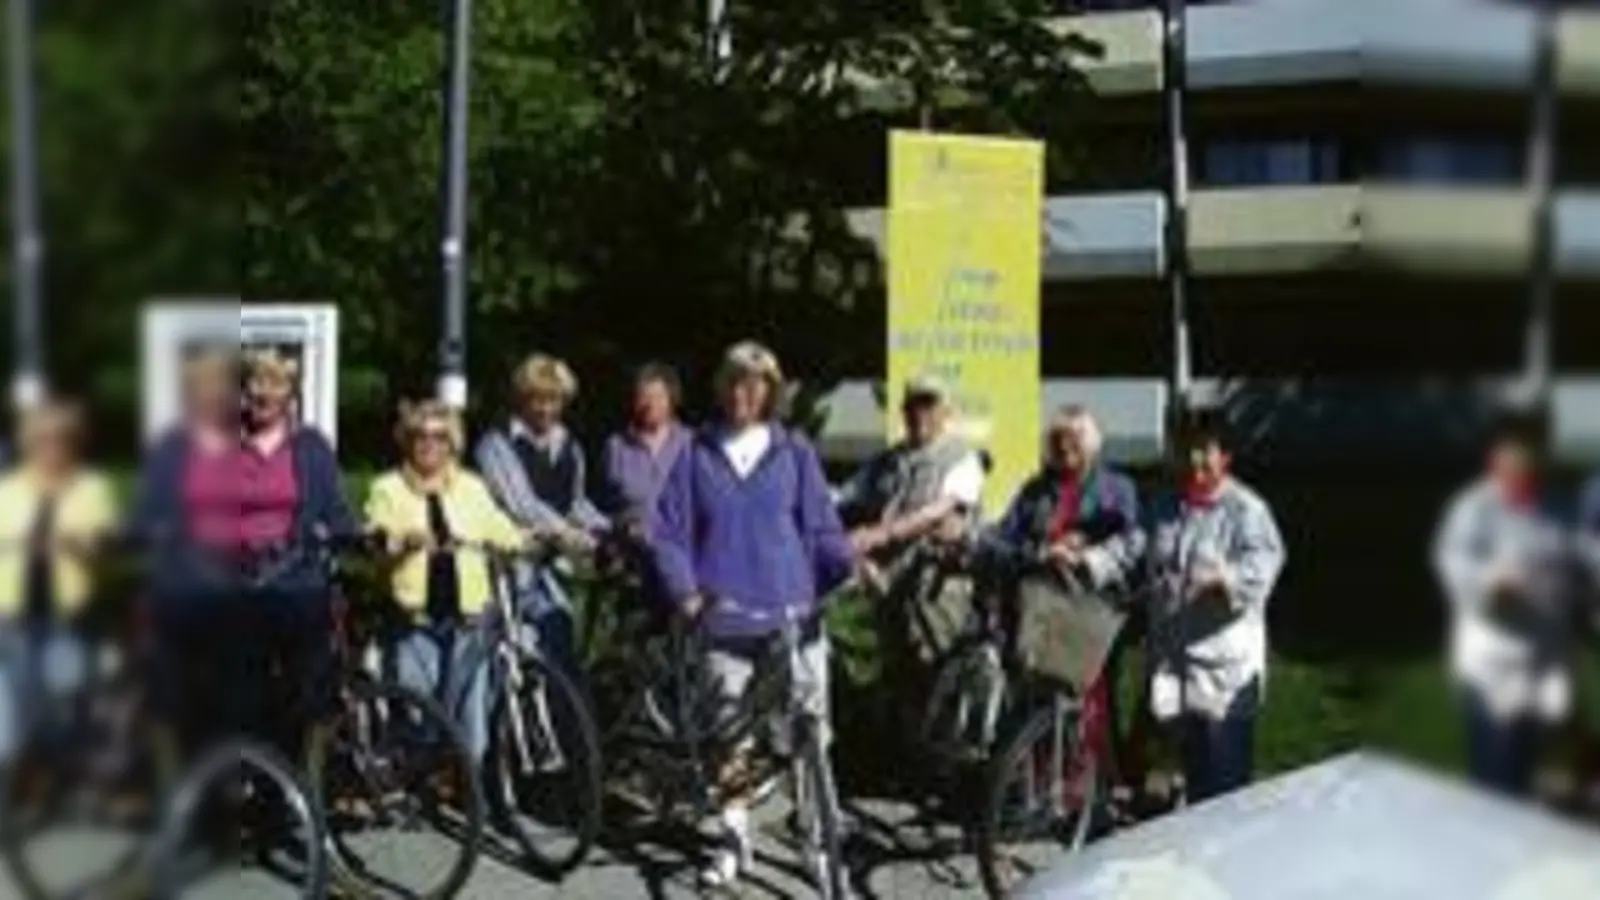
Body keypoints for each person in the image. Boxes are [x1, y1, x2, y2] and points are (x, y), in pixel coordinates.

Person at [650, 341, 856, 888]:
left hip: (793, 616)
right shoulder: (696, 453)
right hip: (724, 619)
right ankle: (732, 837)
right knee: (729, 737)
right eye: (736, 381)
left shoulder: (794, 451)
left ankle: (817, 840)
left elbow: (821, 528)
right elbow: (668, 533)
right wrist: (687, 594)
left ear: (770, 391)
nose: (745, 392)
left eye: (757, 382)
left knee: (809, 735)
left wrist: (843, 568)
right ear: (722, 388)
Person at [132, 347, 355, 755]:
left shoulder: (310, 447)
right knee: (242, 694)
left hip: (297, 580)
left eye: (276, 383)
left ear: (291, 393)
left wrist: (361, 536)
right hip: (236, 582)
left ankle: (293, 783)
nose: (263, 393)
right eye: (254, 382)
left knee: (311, 690)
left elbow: (337, 513)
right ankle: (245, 775)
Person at [365, 400, 535, 761]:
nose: (429, 444)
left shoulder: (471, 487)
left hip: (467, 621)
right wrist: (404, 541)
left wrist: (531, 541)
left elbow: (499, 527)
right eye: (420, 436)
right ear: (407, 441)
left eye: (440, 437)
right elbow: (376, 535)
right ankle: (415, 786)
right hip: (415, 620)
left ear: (452, 443)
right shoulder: (388, 488)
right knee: (420, 718)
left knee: (471, 731)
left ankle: (473, 801)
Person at [980, 405, 1142, 778]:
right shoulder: (1036, 491)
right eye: (1058, 441)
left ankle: (1084, 791)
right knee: (1035, 697)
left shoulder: (1118, 490)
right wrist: (1037, 553)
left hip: (1090, 611)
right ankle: (1037, 785)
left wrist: (1085, 555)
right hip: (1036, 606)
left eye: (1076, 441)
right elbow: (1000, 539)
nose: (1066, 449)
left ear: (1093, 445)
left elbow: (1132, 547)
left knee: (1088, 702)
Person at [1433, 406, 1580, 798]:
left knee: (1531, 776)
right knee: (1494, 783)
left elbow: (1578, 560)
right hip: (1492, 664)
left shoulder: (1556, 506)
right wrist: (1493, 583)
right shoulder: (1474, 506)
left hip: (1542, 660)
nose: (1522, 459)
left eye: (1531, 450)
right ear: (1495, 455)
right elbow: (1452, 561)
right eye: (1513, 450)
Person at [1140, 407, 1285, 804]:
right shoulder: (1167, 506)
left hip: (1224, 673)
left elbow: (1264, 565)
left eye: (1205, 450)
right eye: (1188, 449)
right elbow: (1137, 549)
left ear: (1225, 457)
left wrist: (1227, 582)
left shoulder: (1246, 510)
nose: (1194, 460)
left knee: (1225, 790)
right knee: (1190, 780)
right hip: (1175, 663)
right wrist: (1092, 560)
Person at [834, 375, 986, 724]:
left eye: (929, 405)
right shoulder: (886, 461)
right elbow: (843, 497)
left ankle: (945, 773)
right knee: (898, 687)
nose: (920, 414)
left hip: (939, 593)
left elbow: (935, 514)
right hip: (889, 591)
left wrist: (879, 535)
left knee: (941, 687)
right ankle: (901, 770)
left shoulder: (964, 460)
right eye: (913, 405)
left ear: (945, 412)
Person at [0, 400, 117, 763]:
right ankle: (28, 778)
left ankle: (60, 767)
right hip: (13, 613)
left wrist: (74, 544)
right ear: (29, 442)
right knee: (21, 698)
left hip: (68, 613)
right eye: (42, 439)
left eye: (60, 439)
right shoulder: (8, 488)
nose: (51, 447)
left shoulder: (91, 487)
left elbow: (104, 548)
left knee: (64, 690)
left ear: (73, 442)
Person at [475, 354, 605, 670]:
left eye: (555, 400)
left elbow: (575, 503)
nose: (546, 409)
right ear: (522, 399)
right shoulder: (497, 444)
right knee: (516, 652)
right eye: (538, 400)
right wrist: (569, 535)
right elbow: (522, 504)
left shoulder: (570, 447)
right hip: (507, 566)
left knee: (559, 638)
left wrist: (607, 529)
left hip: (549, 566)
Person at [599, 361, 691, 530]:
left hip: (681, 545)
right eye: (644, 397)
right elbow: (605, 505)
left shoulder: (691, 444)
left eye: (658, 397)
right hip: (631, 546)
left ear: (672, 400)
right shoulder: (616, 447)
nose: (650, 405)